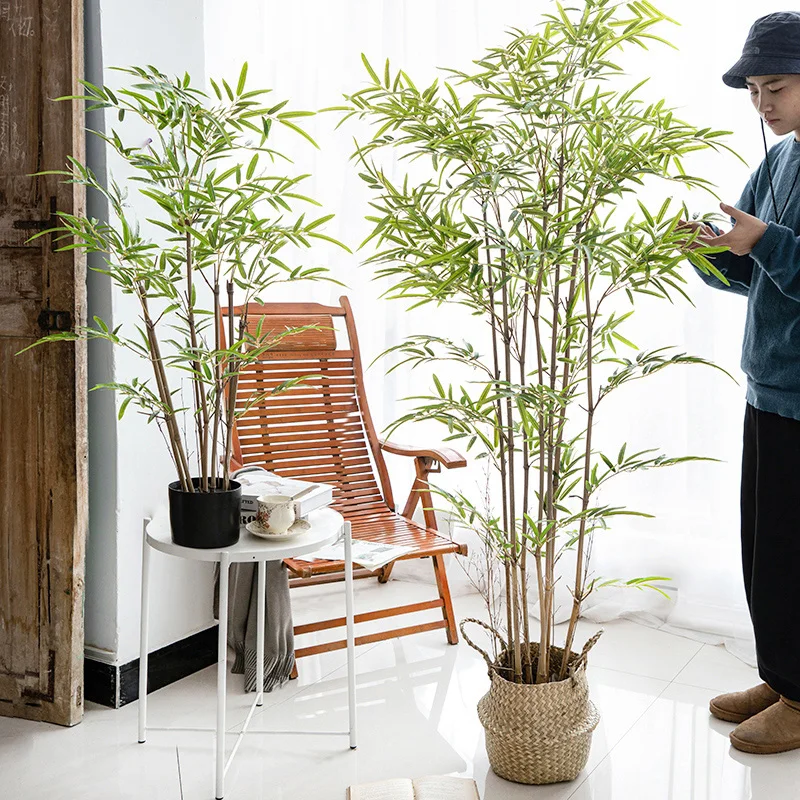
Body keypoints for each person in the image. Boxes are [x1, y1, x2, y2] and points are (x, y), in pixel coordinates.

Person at [679, 11, 800, 755]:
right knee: (767, 550)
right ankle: (783, 677)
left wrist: (768, 243)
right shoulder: (779, 161)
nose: (762, 104)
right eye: (754, 90)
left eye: (776, 86)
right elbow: (754, 273)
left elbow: (778, 252)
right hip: (769, 384)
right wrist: (709, 252)